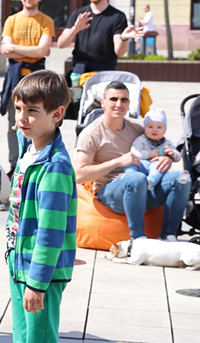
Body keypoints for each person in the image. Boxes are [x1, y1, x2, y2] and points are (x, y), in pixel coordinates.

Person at [0, 71, 76, 343]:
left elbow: (50, 231)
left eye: (32, 111)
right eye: (18, 109)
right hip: (20, 265)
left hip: (38, 273)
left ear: (57, 114)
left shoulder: (55, 165)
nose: (21, 118)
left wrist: (38, 284)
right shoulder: (30, 150)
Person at [74, 81, 190, 242]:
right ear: (103, 102)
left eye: (124, 100)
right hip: (110, 193)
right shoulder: (91, 133)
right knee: (136, 179)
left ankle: (168, 235)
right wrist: (117, 162)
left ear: (129, 103)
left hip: (145, 188)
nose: (119, 104)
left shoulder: (138, 126)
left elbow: (161, 140)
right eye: (113, 99)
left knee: (183, 178)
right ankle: (137, 238)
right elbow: (79, 175)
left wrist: (167, 156)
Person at [0, 0, 53, 173]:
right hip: (14, 80)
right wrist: (32, 51)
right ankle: (15, 164)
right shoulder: (11, 20)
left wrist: (15, 48)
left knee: (38, 122)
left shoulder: (46, 21)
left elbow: (43, 49)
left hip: (38, 80)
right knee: (14, 124)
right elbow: (6, 51)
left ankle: (35, 161)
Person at [57, 0, 139, 74]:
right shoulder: (79, 14)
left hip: (104, 71)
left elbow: (120, 52)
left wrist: (124, 38)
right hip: (79, 71)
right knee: (72, 89)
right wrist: (75, 29)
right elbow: (61, 44)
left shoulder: (117, 16)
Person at [129, 110, 190, 191]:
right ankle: (130, 178)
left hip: (154, 165)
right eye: (150, 127)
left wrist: (173, 154)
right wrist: (149, 154)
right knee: (129, 164)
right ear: (144, 129)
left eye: (159, 127)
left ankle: (150, 182)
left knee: (158, 166)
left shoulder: (166, 143)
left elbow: (178, 157)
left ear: (164, 131)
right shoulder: (141, 139)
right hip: (141, 164)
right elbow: (134, 152)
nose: (155, 130)